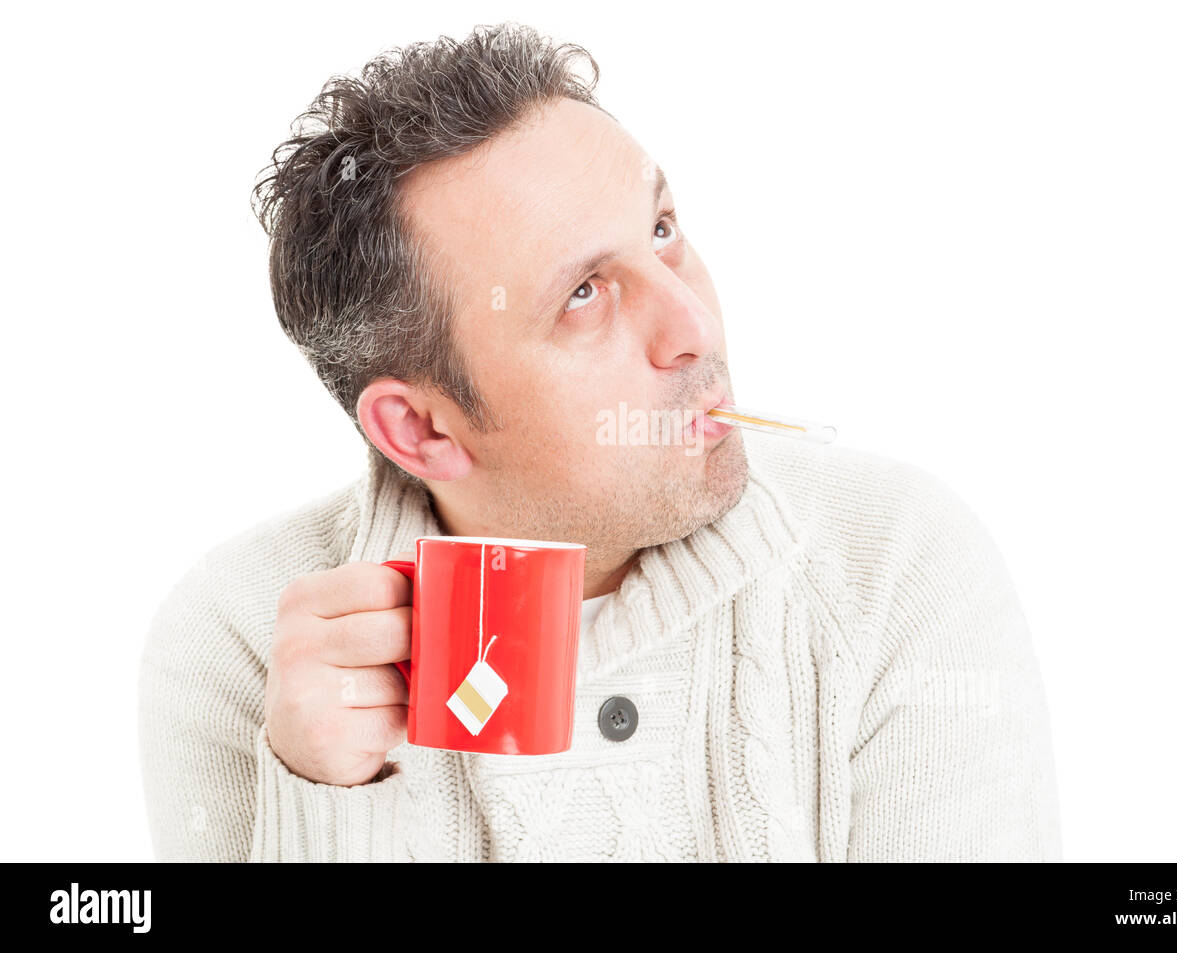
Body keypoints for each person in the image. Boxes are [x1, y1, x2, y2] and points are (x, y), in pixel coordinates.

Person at [138, 22, 1063, 862]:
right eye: (583, 294)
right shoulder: (241, 644)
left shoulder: (897, 565)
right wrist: (326, 809)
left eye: (662, 230)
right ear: (420, 427)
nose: (693, 324)